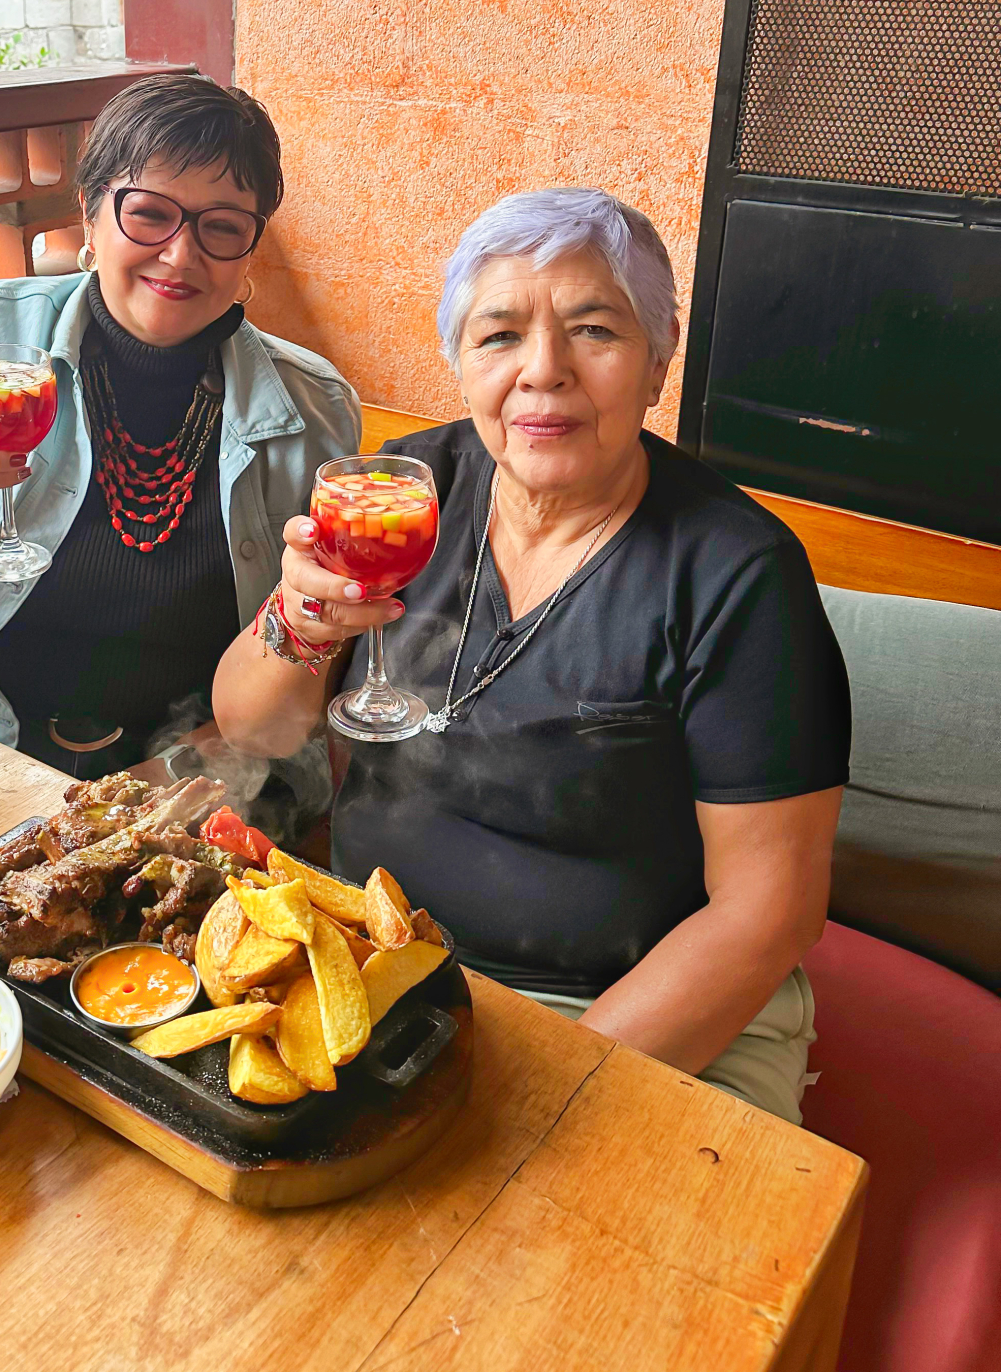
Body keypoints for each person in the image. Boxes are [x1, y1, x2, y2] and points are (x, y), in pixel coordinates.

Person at [213, 188, 851, 1125]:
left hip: (636, 1013)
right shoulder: (404, 497)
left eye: (594, 330)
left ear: (655, 364)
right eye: (500, 335)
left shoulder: (736, 575)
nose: (543, 372)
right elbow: (252, 726)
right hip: (379, 969)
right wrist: (303, 618)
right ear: (462, 364)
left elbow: (769, 915)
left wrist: (539, 1094)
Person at [0, 73, 360, 775]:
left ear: (250, 249)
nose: (181, 255)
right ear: (91, 215)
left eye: (221, 227)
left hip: (183, 775)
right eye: (149, 213)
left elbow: (301, 667)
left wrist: (184, 777)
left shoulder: (312, 407)